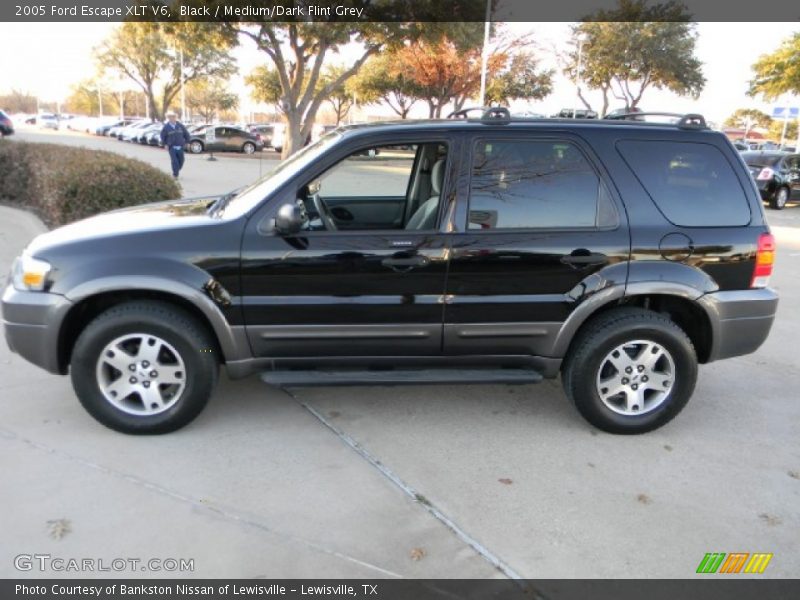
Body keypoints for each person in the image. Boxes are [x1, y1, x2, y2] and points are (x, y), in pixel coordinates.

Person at [160, 111, 190, 179]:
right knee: (174, 161)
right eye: (170, 117)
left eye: (173, 116)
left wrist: (188, 142)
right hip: (172, 147)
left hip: (180, 146)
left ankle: (176, 170)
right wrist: (165, 144)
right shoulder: (166, 127)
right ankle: (175, 175)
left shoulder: (180, 126)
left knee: (181, 161)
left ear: (175, 117)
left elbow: (186, 134)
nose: (172, 118)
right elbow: (162, 136)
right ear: (168, 118)